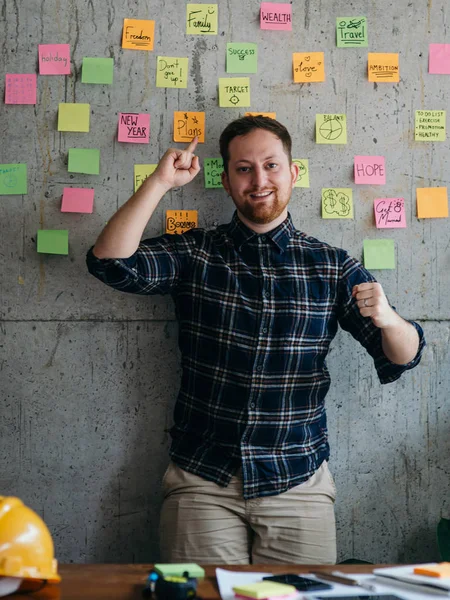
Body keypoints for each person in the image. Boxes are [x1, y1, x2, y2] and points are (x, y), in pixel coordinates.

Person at [86, 116, 425, 565]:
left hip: (298, 481)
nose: (260, 180)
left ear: (293, 172)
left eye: (271, 165)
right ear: (225, 181)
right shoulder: (196, 251)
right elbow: (111, 263)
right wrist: (161, 181)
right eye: (244, 169)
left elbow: (402, 357)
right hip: (203, 478)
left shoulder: (331, 266)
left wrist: (388, 319)